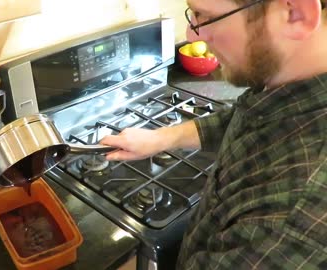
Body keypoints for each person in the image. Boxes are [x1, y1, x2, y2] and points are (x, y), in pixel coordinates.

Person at [100, 0, 327, 269]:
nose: (191, 34)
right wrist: (162, 138)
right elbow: (246, 118)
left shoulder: (296, 216)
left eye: (205, 16)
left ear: (295, 13)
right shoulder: (285, 82)